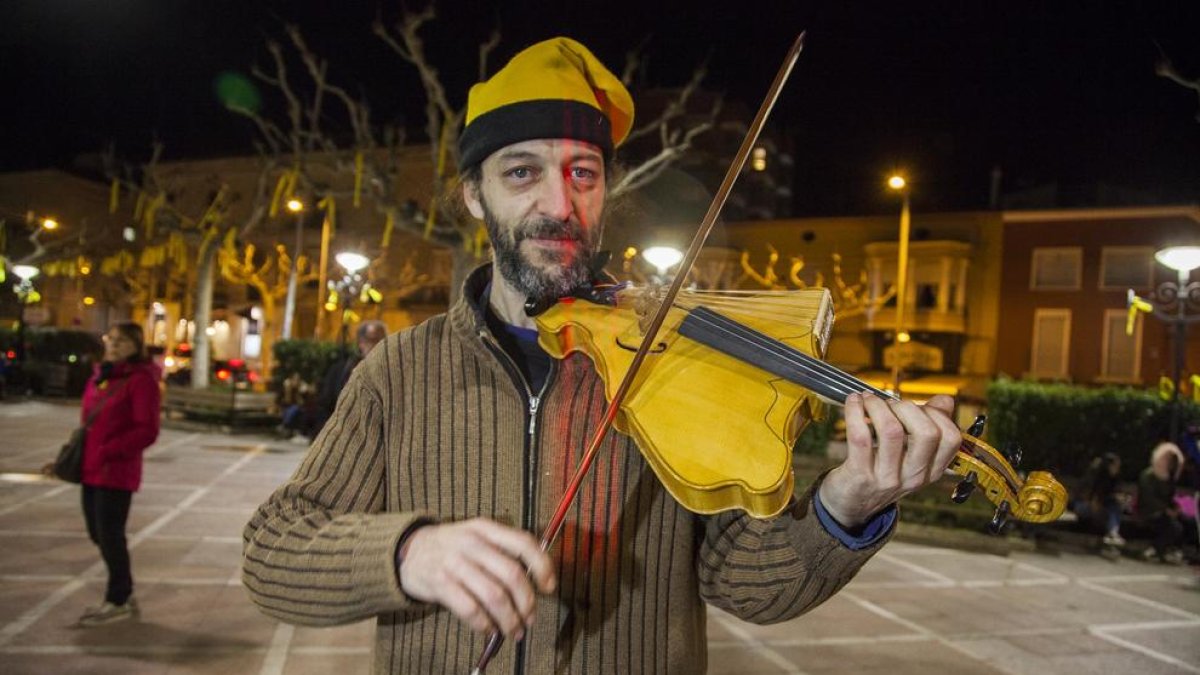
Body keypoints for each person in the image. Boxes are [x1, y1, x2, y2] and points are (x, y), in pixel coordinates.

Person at [243, 37, 963, 673]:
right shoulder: (399, 370)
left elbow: (746, 584)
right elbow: (272, 553)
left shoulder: (672, 359)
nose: (560, 202)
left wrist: (849, 500)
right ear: (472, 195)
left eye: (583, 173)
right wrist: (407, 554)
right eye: (522, 173)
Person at [69, 322, 161, 626]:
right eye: (112, 339)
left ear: (137, 346)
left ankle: (118, 597)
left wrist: (110, 449)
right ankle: (123, 586)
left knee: (110, 534)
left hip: (116, 470)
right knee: (97, 532)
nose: (115, 345)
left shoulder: (141, 380)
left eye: (123, 341)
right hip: (91, 468)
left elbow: (147, 430)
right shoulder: (102, 375)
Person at [305, 320, 388, 439]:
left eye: (383, 340)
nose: (378, 345)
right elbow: (325, 405)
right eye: (373, 340)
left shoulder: (392, 372)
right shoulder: (341, 371)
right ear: (361, 343)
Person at [1138, 442, 1187, 565]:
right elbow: (1148, 499)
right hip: (1148, 511)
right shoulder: (1148, 475)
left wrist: (1176, 507)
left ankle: (1175, 550)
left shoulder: (1170, 478)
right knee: (1174, 527)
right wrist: (1166, 509)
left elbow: (1169, 498)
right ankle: (1155, 549)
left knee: (1186, 521)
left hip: (1164, 512)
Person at [1071, 452, 1126, 546]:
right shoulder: (1093, 476)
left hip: (1102, 504)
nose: (1117, 469)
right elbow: (1086, 495)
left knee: (1114, 506)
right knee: (1110, 509)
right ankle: (1112, 532)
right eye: (1115, 466)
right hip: (1085, 505)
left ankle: (1113, 532)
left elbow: (1111, 493)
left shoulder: (1113, 478)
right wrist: (1094, 502)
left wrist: (1119, 497)